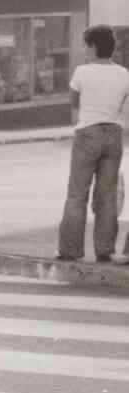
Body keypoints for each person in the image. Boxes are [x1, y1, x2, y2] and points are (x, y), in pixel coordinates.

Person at [57, 25, 129, 263]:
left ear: (94, 46)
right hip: (114, 133)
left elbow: (75, 104)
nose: (85, 49)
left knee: (77, 194)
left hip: (88, 132)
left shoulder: (82, 72)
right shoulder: (123, 74)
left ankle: (70, 250)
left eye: (87, 45)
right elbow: (122, 105)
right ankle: (104, 249)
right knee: (107, 195)